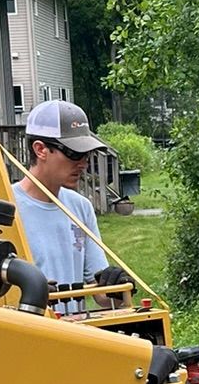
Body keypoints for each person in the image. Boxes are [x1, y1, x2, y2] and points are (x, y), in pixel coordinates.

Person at [14, 100, 127, 313]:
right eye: (74, 153)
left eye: (86, 155)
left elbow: (101, 294)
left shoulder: (80, 207)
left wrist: (117, 288)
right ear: (40, 150)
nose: (83, 163)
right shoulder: (6, 206)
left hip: (71, 336)